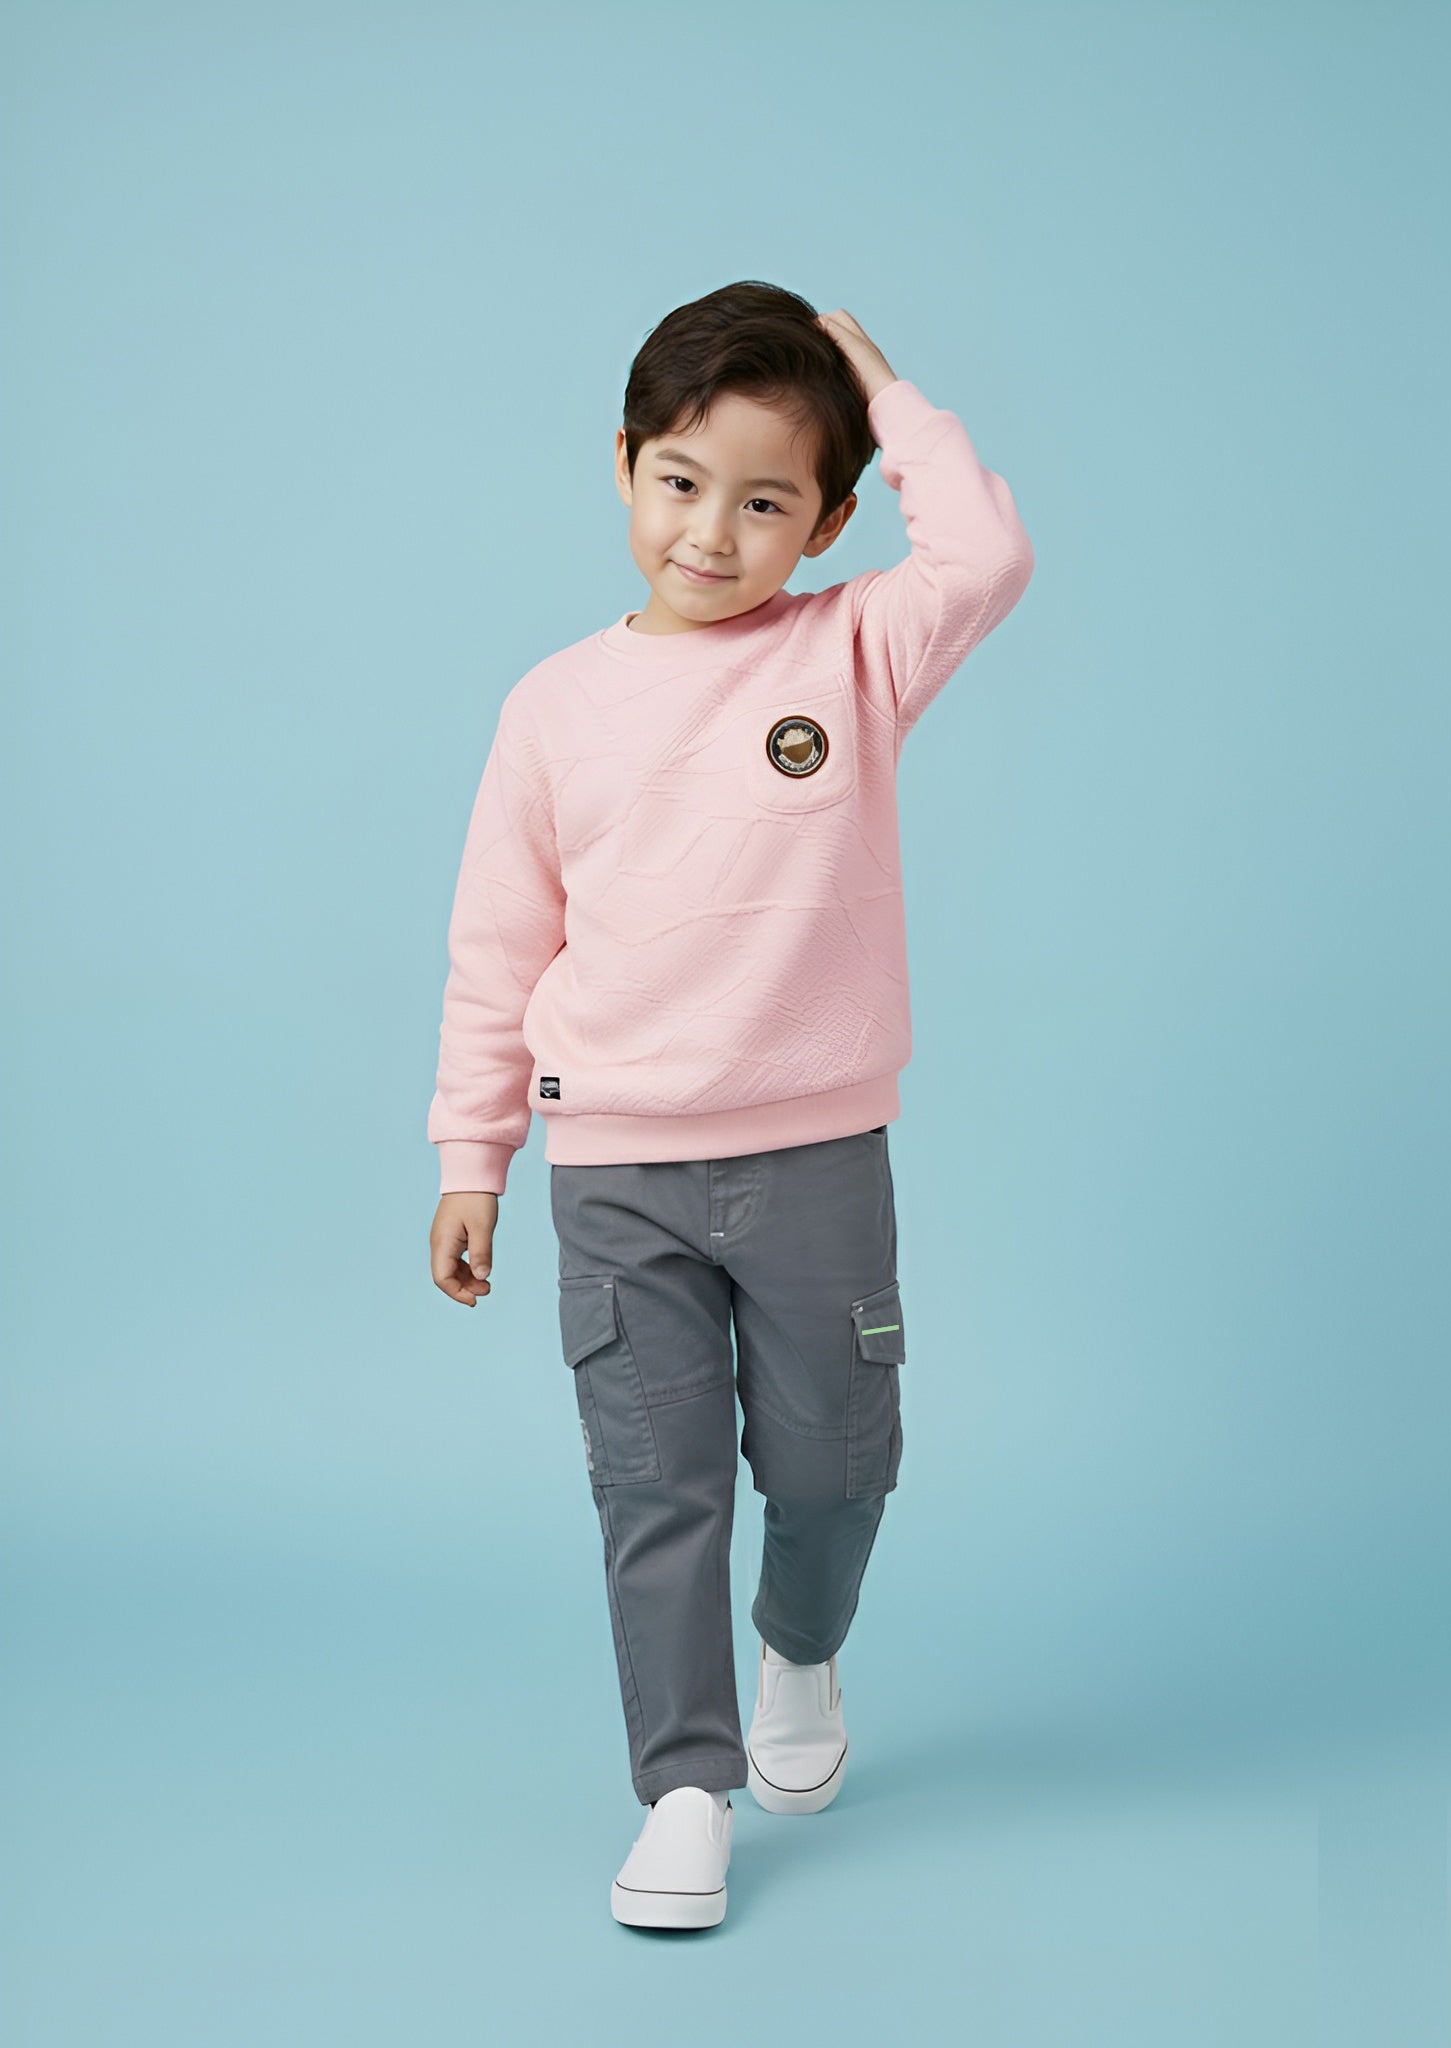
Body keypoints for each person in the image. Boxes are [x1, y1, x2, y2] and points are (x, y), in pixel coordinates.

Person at [426, 280, 1035, 1930]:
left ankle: (800, 1653)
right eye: (680, 482)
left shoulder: (853, 651)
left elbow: (985, 558)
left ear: (827, 520)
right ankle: (683, 1790)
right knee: (655, 1485)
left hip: (814, 1150)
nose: (711, 532)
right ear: (624, 467)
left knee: (836, 1467)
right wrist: (473, 1152)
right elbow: (498, 944)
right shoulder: (551, 705)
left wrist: (886, 395)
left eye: (766, 502)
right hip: (614, 1167)